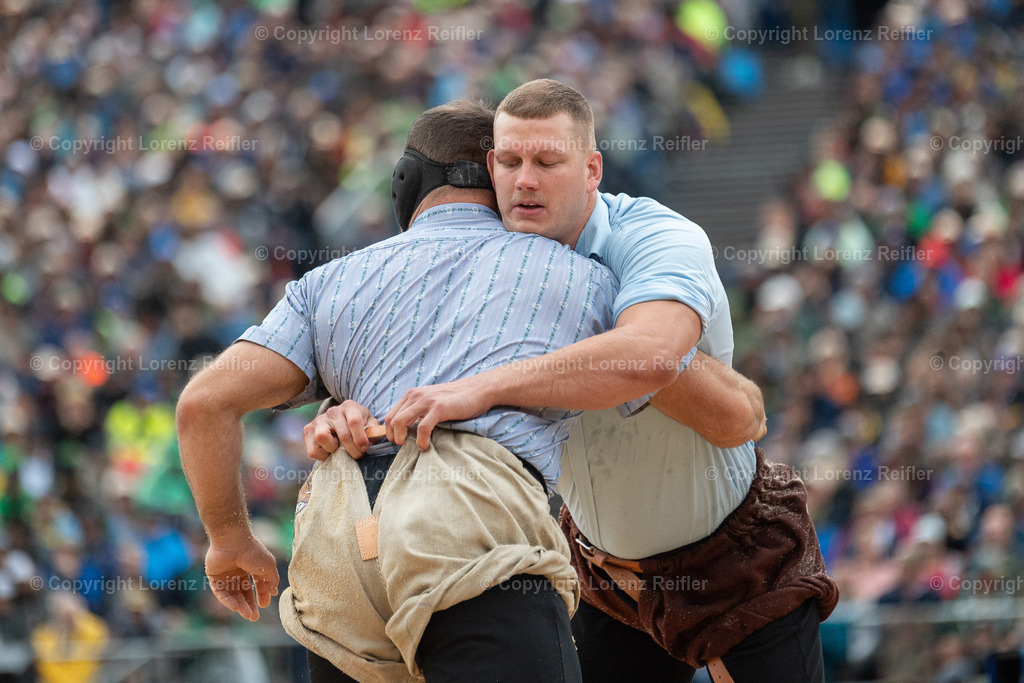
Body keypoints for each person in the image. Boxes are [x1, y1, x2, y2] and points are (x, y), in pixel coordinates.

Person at [310, 79, 838, 682]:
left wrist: (486, 382)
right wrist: (347, 411)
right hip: (605, 577)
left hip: (735, 561)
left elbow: (684, 379)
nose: (525, 181)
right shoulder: (484, 263)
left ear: (591, 170)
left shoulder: (653, 235)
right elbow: (406, 373)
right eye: (510, 162)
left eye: (547, 162)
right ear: (491, 166)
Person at [178, 99, 627, 683]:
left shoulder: (328, 281)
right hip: (470, 523)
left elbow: (204, 403)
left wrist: (229, 539)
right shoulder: (583, 275)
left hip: (337, 540)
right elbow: (653, 369)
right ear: (498, 176)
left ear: (405, 181)